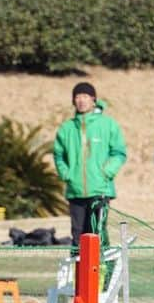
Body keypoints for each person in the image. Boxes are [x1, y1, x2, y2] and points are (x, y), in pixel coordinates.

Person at [53, 82, 127, 247]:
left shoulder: (108, 125)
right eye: (78, 97)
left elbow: (119, 153)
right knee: (77, 234)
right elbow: (58, 155)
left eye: (85, 96)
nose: (81, 100)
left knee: (97, 233)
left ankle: (103, 270)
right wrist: (67, 175)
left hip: (100, 190)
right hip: (75, 191)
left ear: (93, 100)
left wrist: (105, 172)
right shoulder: (66, 128)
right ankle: (78, 271)